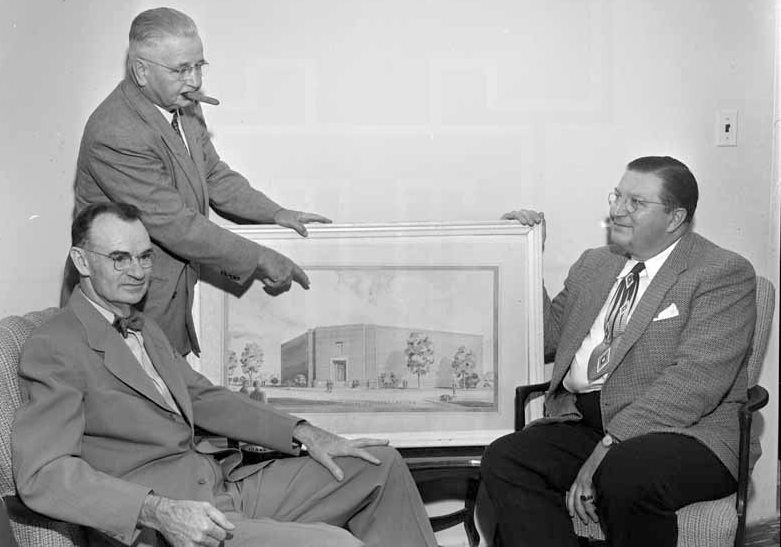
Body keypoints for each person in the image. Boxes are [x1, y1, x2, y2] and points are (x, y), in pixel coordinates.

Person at [13, 203, 437, 547]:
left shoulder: (144, 326)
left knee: (380, 465)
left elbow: (201, 397)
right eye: (119, 258)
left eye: (145, 257)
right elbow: (42, 474)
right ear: (81, 261)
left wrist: (304, 432)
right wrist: (156, 510)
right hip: (173, 523)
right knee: (335, 545)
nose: (138, 272)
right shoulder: (57, 344)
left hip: (224, 484)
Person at [481, 156, 757, 547]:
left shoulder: (721, 272)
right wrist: (526, 256)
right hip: (586, 420)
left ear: (675, 218)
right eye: (617, 196)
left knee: (624, 473)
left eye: (635, 203)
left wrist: (608, 447)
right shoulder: (594, 265)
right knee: (506, 458)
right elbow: (546, 339)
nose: (616, 211)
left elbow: (694, 383)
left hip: (686, 432)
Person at [69, 7, 332, 356]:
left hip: (160, 302)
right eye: (181, 70)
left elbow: (212, 173)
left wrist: (276, 213)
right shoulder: (115, 132)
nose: (194, 81)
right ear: (141, 71)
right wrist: (260, 258)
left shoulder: (184, 105)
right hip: (117, 307)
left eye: (198, 66)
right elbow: (176, 225)